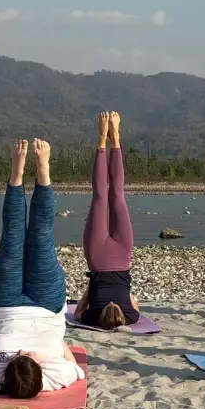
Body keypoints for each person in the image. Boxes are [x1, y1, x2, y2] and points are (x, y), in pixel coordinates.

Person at [0, 138, 85, 398]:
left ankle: (42, 171)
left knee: (42, 237)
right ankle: (17, 171)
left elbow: (76, 369)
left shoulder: (55, 375)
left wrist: (50, 348)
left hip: (44, 305)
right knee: (13, 236)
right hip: (4, 306)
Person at [73, 111, 142, 330]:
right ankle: (105, 140)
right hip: (98, 259)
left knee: (115, 195)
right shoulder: (92, 316)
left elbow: (133, 302)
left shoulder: (131, 316)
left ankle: (112, 139)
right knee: (102, 196)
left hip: (122, 256)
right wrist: (90, 290)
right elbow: (77, 313)